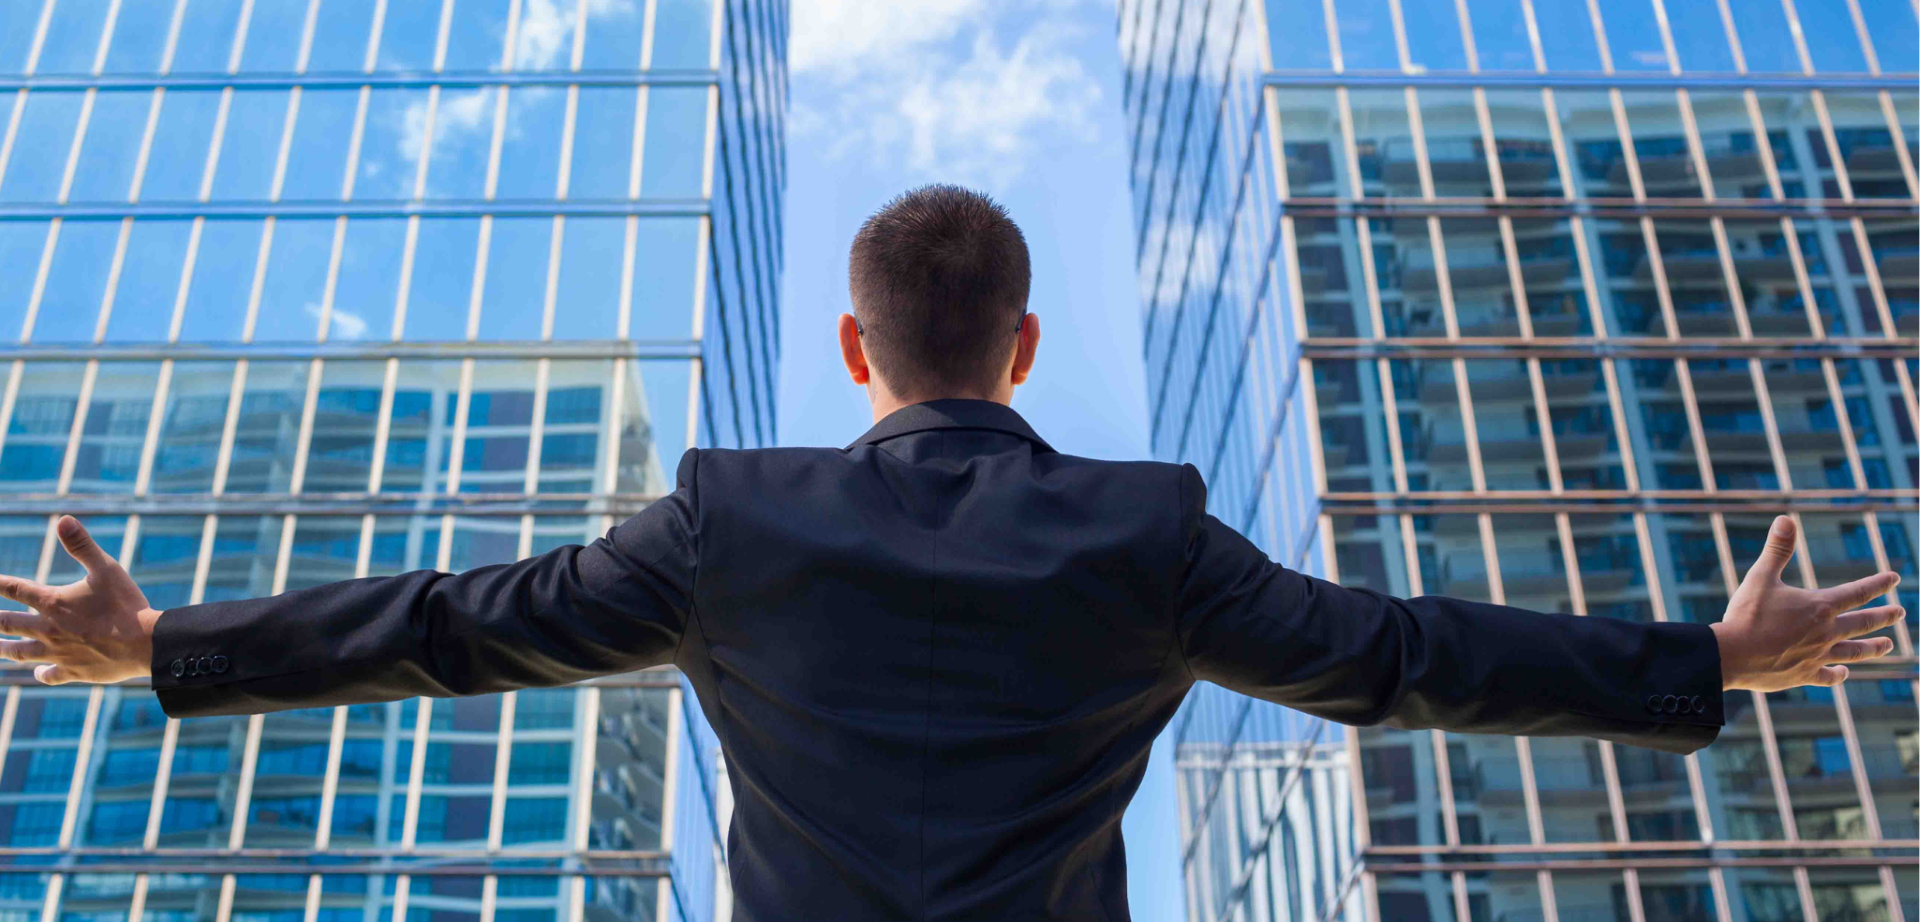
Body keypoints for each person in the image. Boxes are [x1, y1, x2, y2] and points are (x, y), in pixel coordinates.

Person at [0, 186, 1902, 921]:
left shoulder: (733, 521)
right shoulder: (1141, 530)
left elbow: (447, 623)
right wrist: (1710, 661)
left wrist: (165, 644)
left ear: (856, 350)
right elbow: (1401, 651)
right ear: (1021, 345)